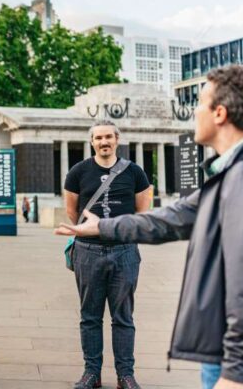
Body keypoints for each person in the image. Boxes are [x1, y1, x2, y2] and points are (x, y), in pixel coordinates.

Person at [56, 66, 243, 389]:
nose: (195, 110)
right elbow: (171, 219)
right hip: (233, 359)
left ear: (220, 113)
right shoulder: (235, 172)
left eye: (201, 102)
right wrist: (104, 227)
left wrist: (235, 373)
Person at [62, 120, 151, 389]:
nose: (104, 142)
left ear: (117, 139)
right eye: (99, 137)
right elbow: (72, 211)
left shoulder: (135, 172)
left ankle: (125, 375)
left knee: (123, 316)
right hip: (88, 251)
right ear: (92, 142)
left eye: (109, 137)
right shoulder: (78, 171)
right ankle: (92, 373)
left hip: (124, 251)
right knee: (90, 316)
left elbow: (141, 211)